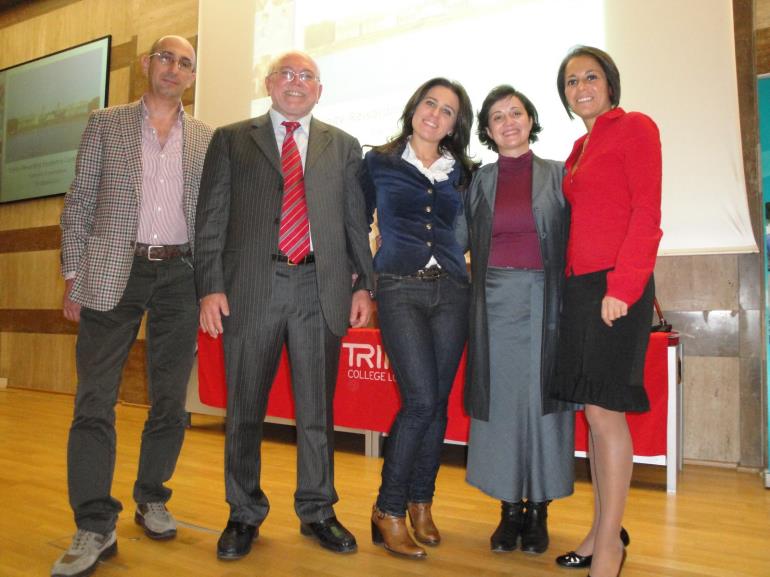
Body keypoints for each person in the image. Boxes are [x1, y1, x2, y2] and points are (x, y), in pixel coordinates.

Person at [195, 51, 374, 560]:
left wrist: (363, 284)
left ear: (319, 90)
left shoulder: (343, 145)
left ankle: (318, 510)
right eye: (287, 74)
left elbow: (354, 220)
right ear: (270, 83)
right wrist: (210, 286)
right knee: (244, 409)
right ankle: (243, 512)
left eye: (307, 76)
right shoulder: (231, 139)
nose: (296, 83)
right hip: (252, 289)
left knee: (317, 411)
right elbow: (211, 217)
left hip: (320, 287)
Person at [53, 36, 213, 577]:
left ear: (193, 76)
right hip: (112, 270)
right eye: (166, 58)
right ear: (147, 64)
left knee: (169, 399)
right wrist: (73, 274)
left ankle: (152, 496)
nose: (174, 68)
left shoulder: (206, 137)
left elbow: (212, 217)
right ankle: (94, 523)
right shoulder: (106, 123)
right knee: (94, 398)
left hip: (181, 275)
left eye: (185, 63)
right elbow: (79, 201)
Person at [551, 46, 662, 577]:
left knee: (604, 412)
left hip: (617, 286)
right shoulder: (578, 147)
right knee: (593, 415)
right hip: (581, 289)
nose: (581, 87)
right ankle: (601, 532)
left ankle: (612, 547)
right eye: (571, 81)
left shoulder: (635, 127)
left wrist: (624, 285)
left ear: (610, 84)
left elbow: (646, 212)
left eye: (590, 76)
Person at [359, 77, 475, 559]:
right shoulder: (378, 162)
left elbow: (467, 228)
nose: (436, 114)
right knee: (421, 400)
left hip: (452, 290)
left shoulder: (462, 171)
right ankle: (388, 508)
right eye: (431, 103)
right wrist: (362, 283)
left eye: (448, 110)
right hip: (399, 288)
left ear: (454, 125)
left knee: (438, 403)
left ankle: (421, 502)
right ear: (414, 107)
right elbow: (355, 222)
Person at [463, 85, 574, 556]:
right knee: (503, 405)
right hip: (493, 302)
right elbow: (455, 238)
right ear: (487, 131)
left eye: (516, 113)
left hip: (549, 302)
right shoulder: (477, 182)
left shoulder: (561, 174)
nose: (508, 122)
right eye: (497, 117)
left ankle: (540, 509)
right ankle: (509, 509)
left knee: (546, 404)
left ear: (531, 120)